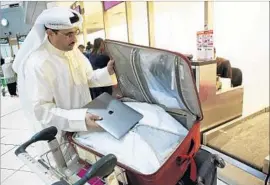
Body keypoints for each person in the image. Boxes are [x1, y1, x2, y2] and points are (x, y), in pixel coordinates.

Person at [12, 7, 116, 155]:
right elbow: (42, 110)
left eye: (75, 32)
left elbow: (87, 78)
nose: (75, 39)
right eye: (68, 34)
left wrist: (107, 71)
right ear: (50, 33)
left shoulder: (72, 51)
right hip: (63, 136)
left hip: (87, 126)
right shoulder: (38, 63)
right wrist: (80, 119)